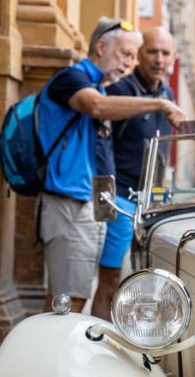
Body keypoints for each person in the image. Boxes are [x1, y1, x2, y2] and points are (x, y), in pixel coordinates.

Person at [38, 17, 185, 314]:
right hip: (72, 200)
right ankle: (57, 359)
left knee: (76, 294)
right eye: (126, 54)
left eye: (132, 56)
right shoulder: (74, 78)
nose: (128, 63)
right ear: (101, 46)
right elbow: (96, 107)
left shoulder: (100, 87)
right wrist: (159, 104)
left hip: (92, 202)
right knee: (68, 301)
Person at [91, 26, 179, 320]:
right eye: (152, 51)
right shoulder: (121, 91)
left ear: (173, 58)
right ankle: (99, 348)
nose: (158, 58)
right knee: (111, 280)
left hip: (153, 202)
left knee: (148, 281)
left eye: (165, 52)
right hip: (122, 200)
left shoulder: (168, 93)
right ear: (139, 54)